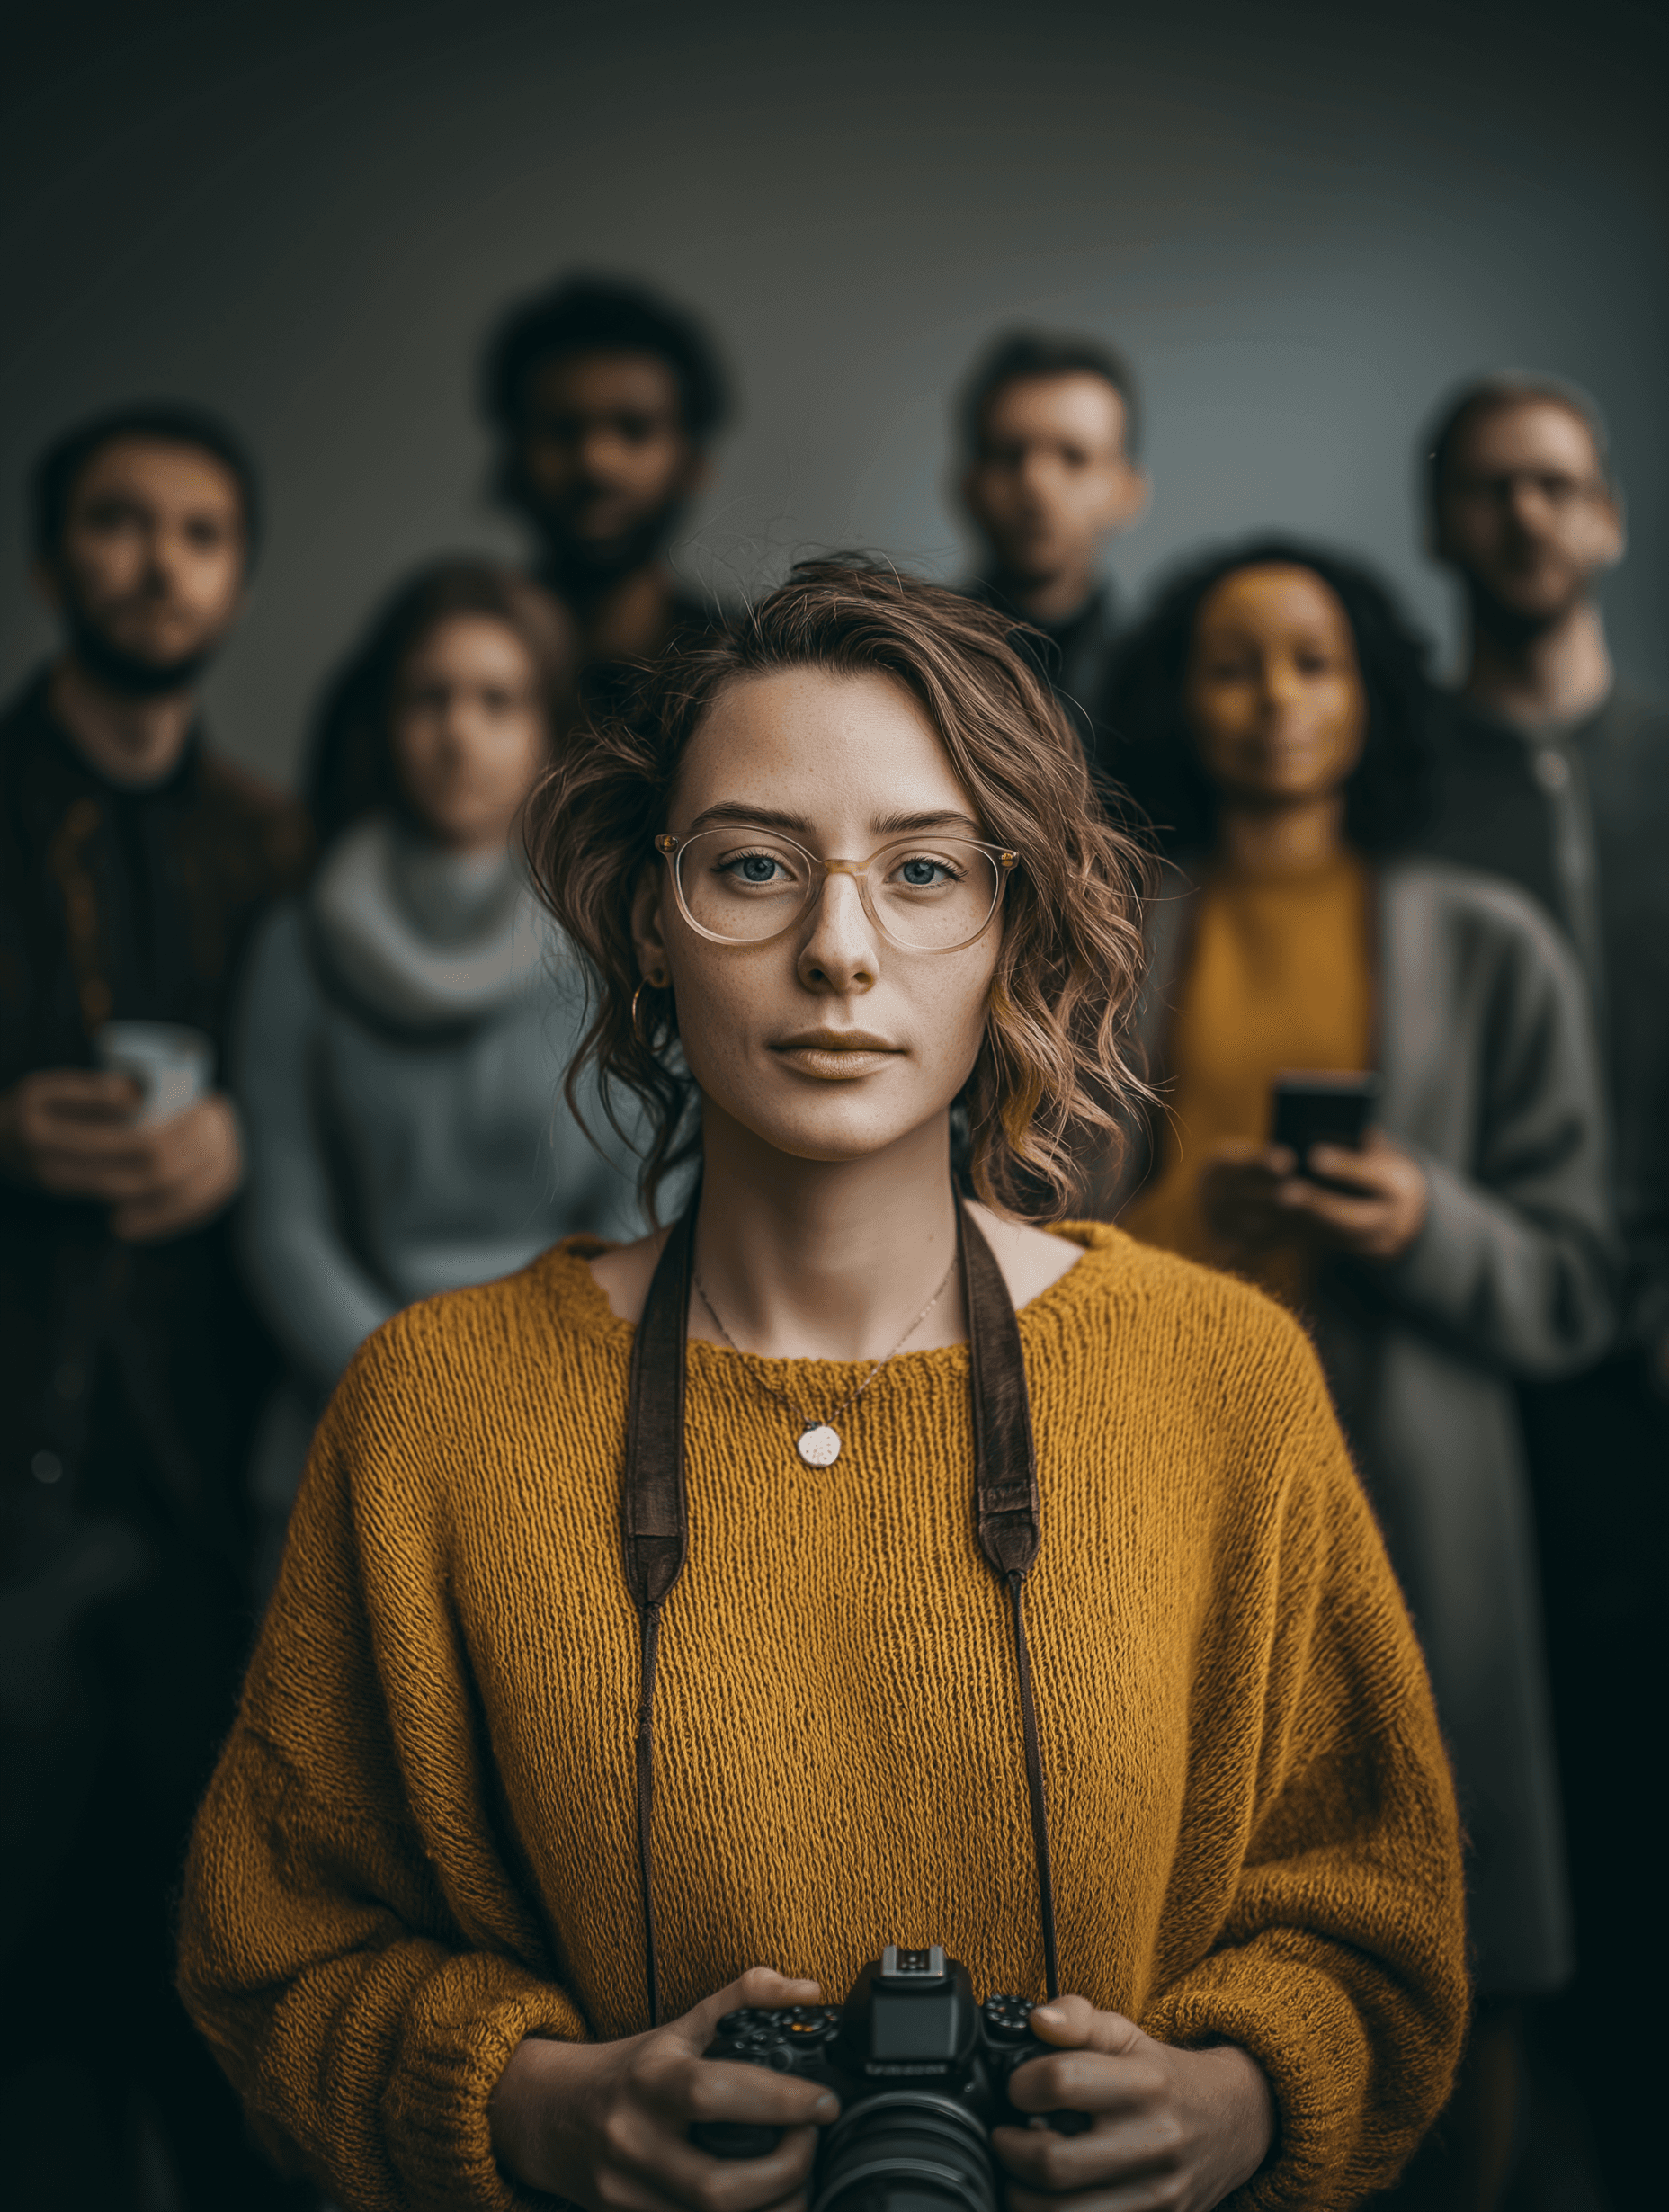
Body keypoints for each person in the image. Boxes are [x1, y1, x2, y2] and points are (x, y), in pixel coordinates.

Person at [180, 561, 1467, 2212]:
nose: (839, 949)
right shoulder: (433, 1407)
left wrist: (1241, 2094)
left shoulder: (1221, 1380)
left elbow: (1382, 1920)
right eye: (751, 869)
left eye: (922, 869)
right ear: (649, 916)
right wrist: (529, 2102)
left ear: (1008, 918)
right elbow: (280, 1949)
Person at [1097, 540, 1617, 2210]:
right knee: (1192, 1937)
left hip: (1435, 1525)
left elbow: (1576, 1286)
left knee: (1465, 1944)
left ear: (1369, 693)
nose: (1273, 698)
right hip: (1178, 1513)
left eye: (1311, 659)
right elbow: (1037, 1248)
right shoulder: (1109, 938)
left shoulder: (1487, 941)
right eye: (1233, 661)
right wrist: (1200, 1213)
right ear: (1178, 694)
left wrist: (1421, 1214)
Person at [0, 406, 310, 2208]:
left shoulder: (273, 843)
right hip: (14, 1467)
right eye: (118, 524)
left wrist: (244, 1151)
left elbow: (327, 1115)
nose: (156, 561)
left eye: (196, 531)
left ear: (237, 577)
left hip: (205, 1471)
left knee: (204, 1967)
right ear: (53, 562)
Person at [1419, 372, 1669, 2206]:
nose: (1526, 515)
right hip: (1488, 1359)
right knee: (1520, 1800)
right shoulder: (1401, 781)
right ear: (1442, 526)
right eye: (1489, 488)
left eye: (1556, 484)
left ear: (1606, 521)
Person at [235, 560, 642, 1578]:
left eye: (497, 701)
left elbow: (645, 1199)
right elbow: (280, 1217)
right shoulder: (293, 946)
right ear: (383, 722)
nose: (460, 730)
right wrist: (411, 1392)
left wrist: (524, 1402)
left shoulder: (613, 943)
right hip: (343, 1417)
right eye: (431, 698)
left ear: (546, 729)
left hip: (569, 1430)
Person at [481, 273, 734, 709]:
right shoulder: (444, 676)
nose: (596, 461)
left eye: (634, 429)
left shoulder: (743, 670)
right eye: (563, 430)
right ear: (513, 456)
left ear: (694, 464)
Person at [957, 329, 1148, 749]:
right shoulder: (905, 664)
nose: (1036, 483)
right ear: (968, 487)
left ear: (1129, 492)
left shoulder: (1165, 679)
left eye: (1073, 457)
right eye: (1009, 455)